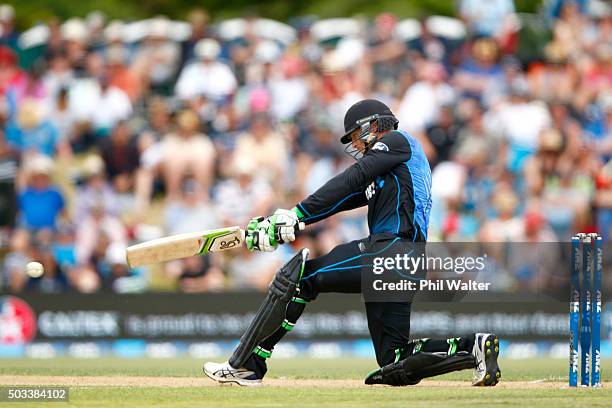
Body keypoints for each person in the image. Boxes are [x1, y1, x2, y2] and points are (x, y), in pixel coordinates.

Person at [204, 99, 501, 387]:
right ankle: (474, 347)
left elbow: (351, 178)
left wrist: (295, 214)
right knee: (393, 360)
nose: (356, 145)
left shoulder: (398, 140)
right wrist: (293, 221)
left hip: (389, 251)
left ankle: (245, 365)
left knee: (300, 278)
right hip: (407, 261)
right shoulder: (390, 170)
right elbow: (344, 198)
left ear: (374, 126)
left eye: (357, 136)